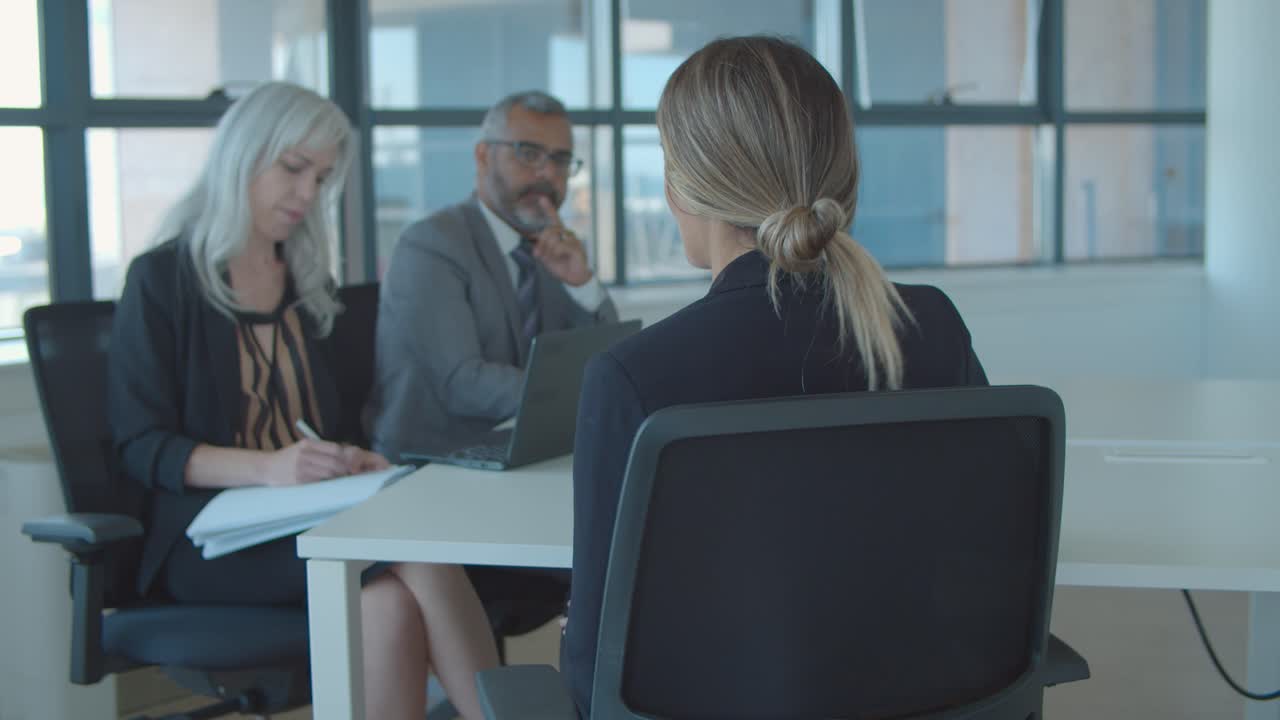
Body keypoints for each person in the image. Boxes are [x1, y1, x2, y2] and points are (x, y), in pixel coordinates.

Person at [563, 36, 990, 716]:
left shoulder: (635, 377)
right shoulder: (933, 328)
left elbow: (594, 668)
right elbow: (980, 574)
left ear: (685, 186)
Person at [106, 82, 498, 720]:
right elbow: (139, 446)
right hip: (206, 538)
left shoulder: (305, 280)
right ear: (244, 154)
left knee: (387, 601)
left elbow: (319, 424)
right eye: (293, 170)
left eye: (321, 178)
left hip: (303, 516)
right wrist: (268, 467)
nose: (307, 195)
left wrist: (349, 458)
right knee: (410, 546)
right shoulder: (161, 282)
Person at [368, 90, 618, 463]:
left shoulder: (553, 249)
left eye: (561, 160)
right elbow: (461, 382)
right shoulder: (431, 244)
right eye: (528, 154)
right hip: (433, 466)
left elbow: (606, 358)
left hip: (529, 455)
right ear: (483, 156)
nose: (547, 174)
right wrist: (586, 393)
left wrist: (580, 283)